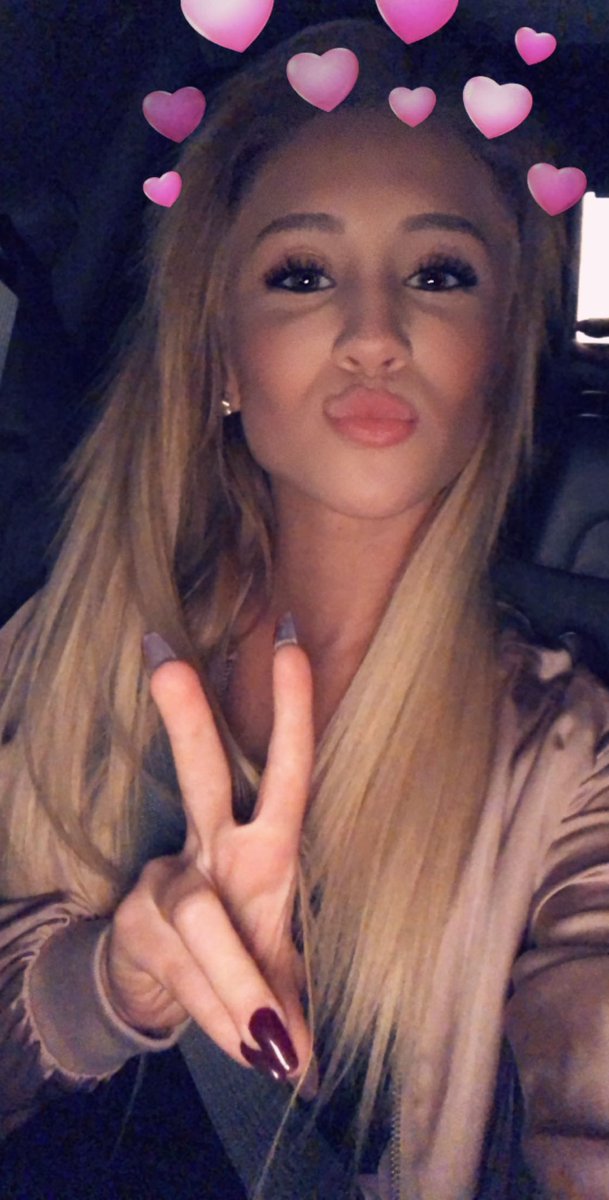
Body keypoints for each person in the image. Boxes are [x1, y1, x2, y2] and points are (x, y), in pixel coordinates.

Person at [1, 13, 608, 1200]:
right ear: (223, 359)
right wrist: (107, 985)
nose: (374, 335)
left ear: (499, 360)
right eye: (302, 274)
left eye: (440, 274)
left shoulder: (566, 765)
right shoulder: (60, 653)